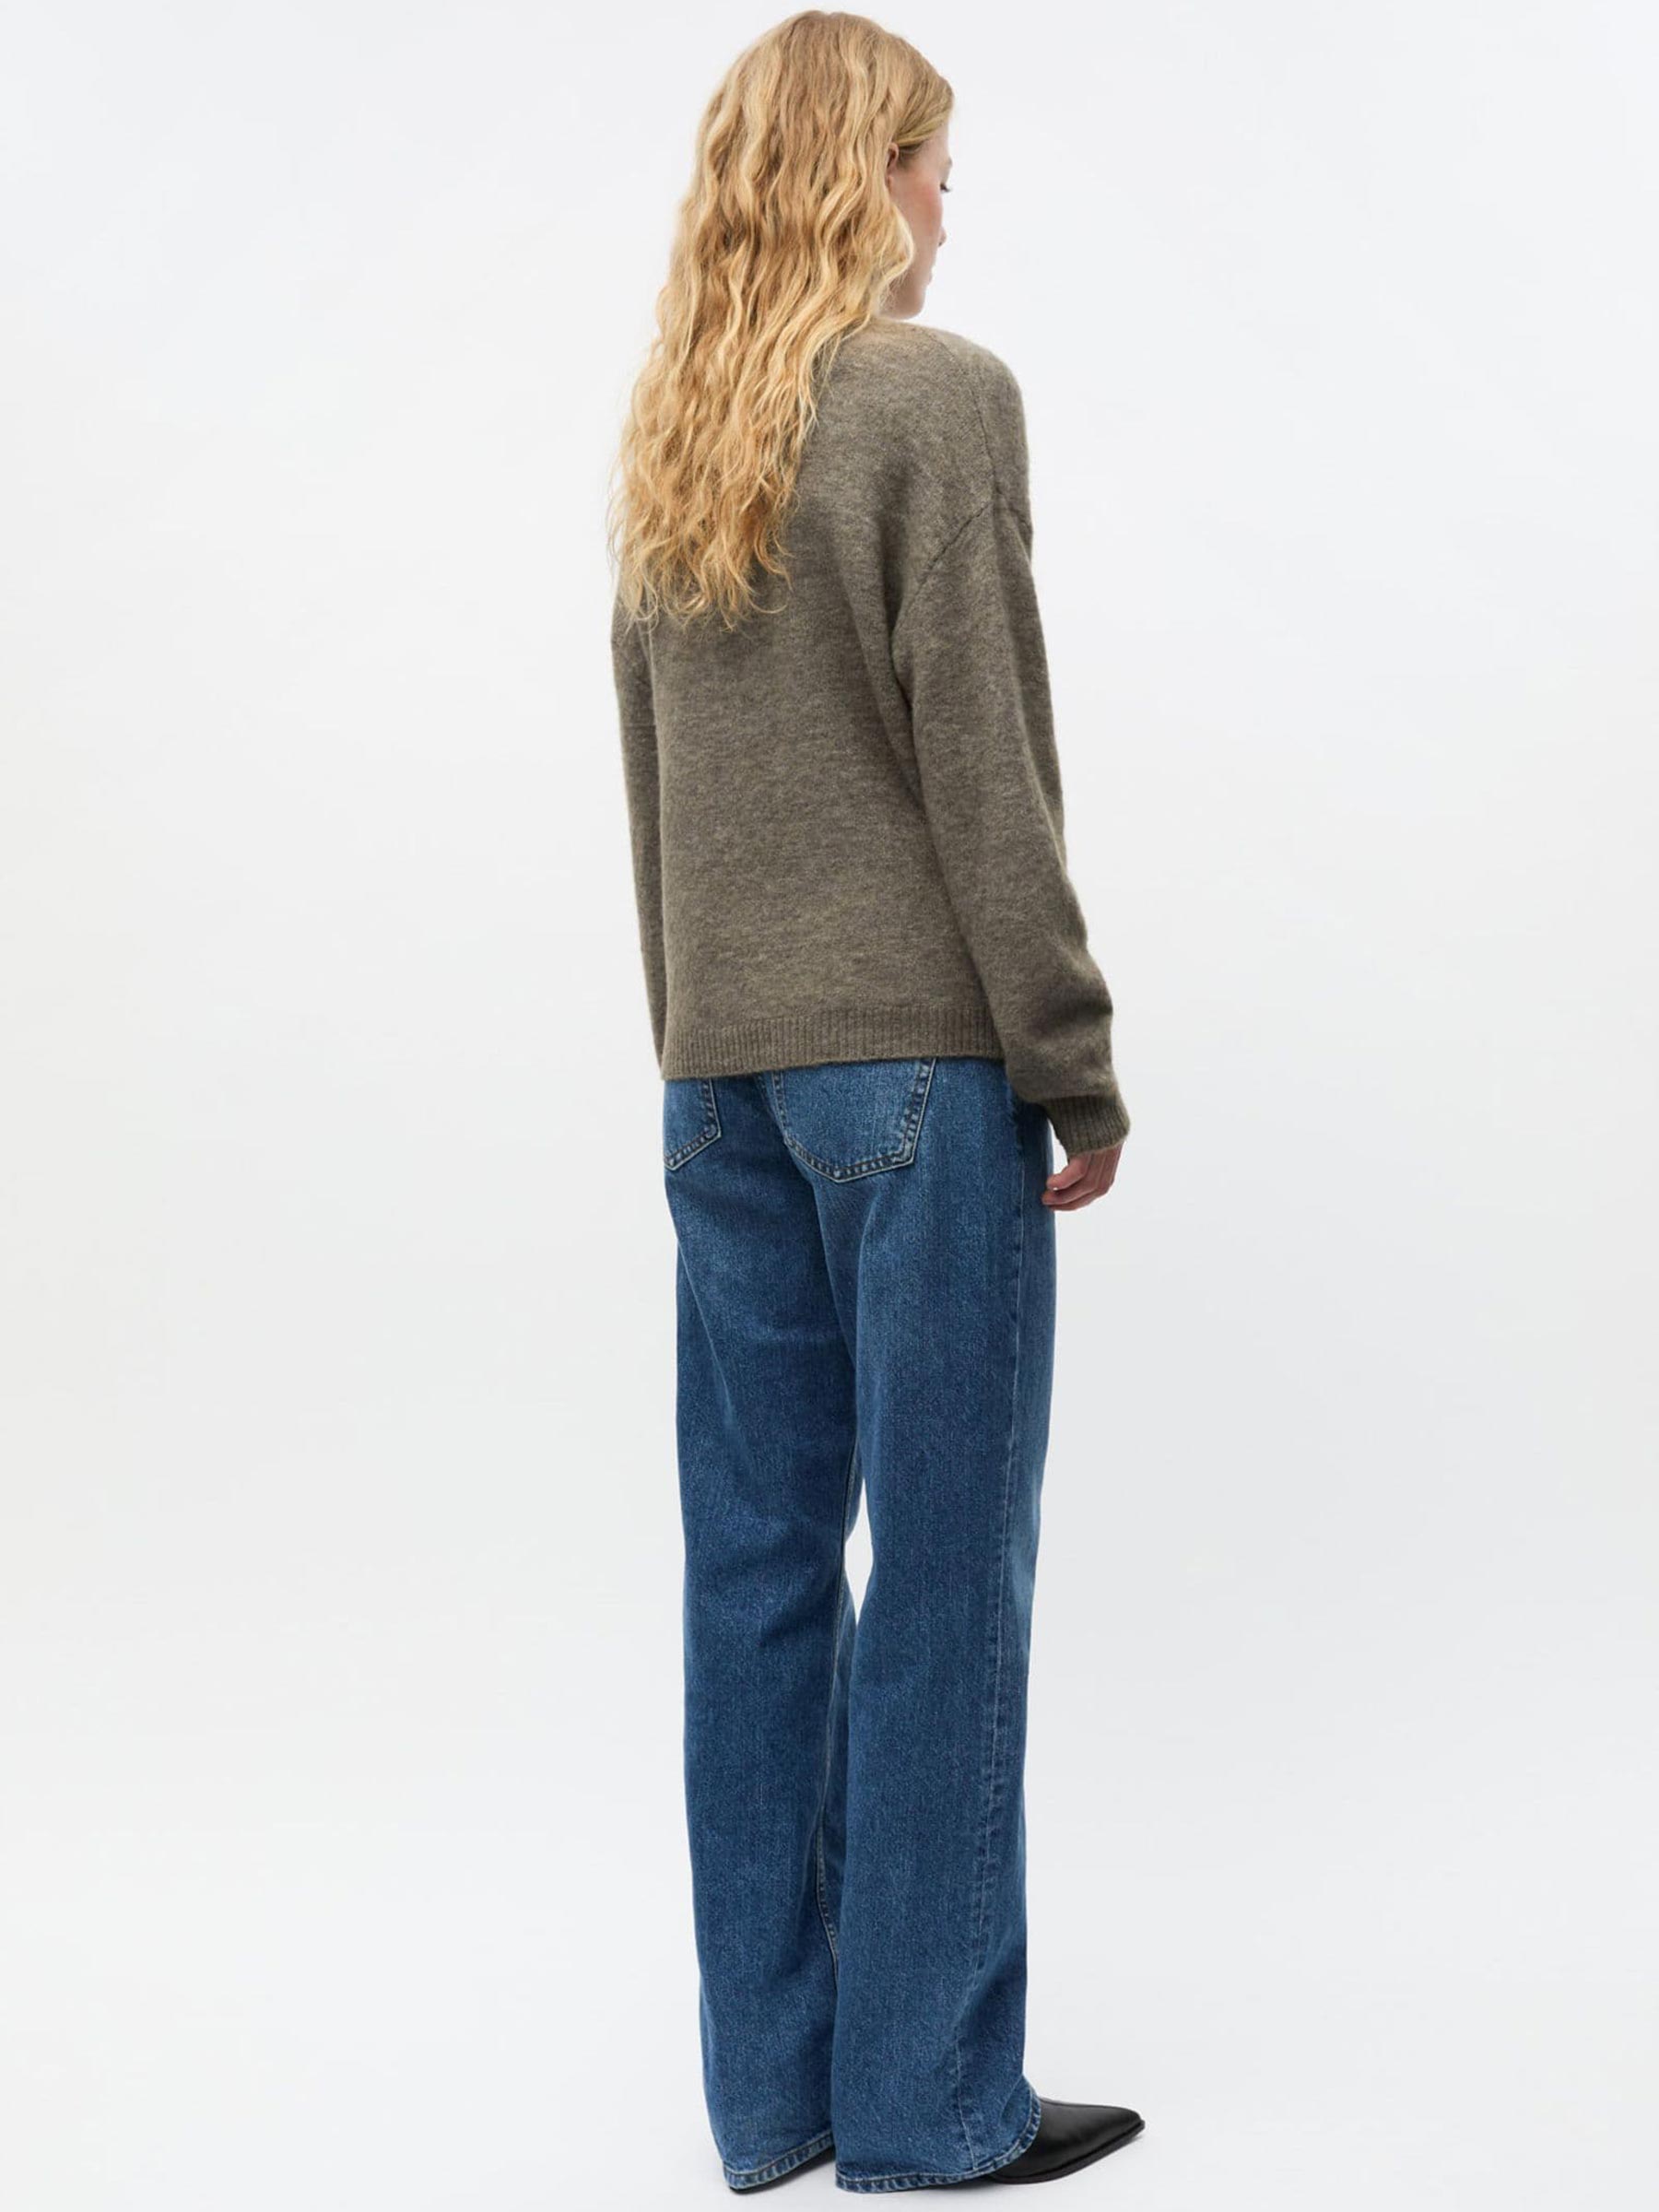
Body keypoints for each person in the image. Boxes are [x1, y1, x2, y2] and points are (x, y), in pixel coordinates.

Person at [606, 12, 1144, 2195]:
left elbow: (653, 790)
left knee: (752, 1577)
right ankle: (931, 2107)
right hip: (917, 1075)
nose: (947, 203)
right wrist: (1069, 1055)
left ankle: (780, 2100)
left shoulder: (679, 431)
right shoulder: (935, 399)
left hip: (721, 1077)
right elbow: (985, 764)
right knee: (940, 1578)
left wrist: (697, 1043)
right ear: (863, 179)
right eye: (930, 163)